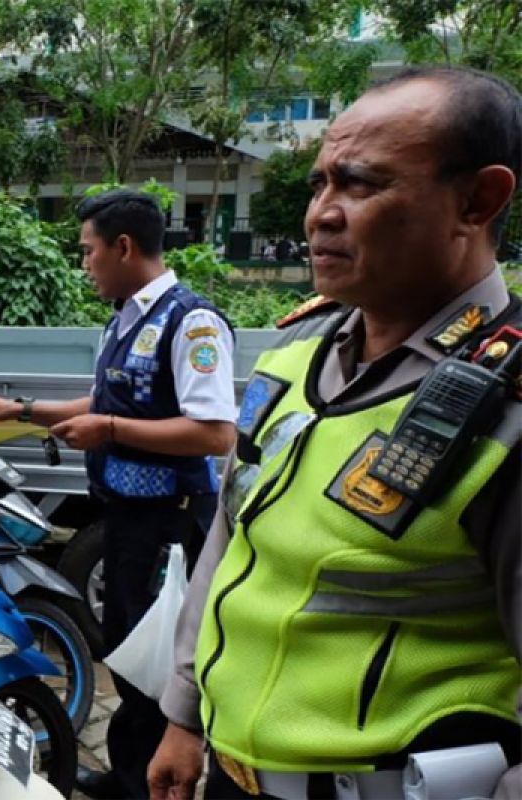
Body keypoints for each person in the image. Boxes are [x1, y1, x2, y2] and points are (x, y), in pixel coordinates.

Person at [148, 66, 522, 800]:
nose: (321, 212)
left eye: (361, 184)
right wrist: (183, 716)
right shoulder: (294, 357)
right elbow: (231, 541)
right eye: (320, 184)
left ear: (477, 201)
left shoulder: (505, 404)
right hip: (231, 775)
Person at [0, 189, 237, 798]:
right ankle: (126, 774)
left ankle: (150, 777)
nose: (83, 264)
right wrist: (24, 410)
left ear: (122, 246)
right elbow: (108, 403)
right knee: (127, 653)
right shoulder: (123, 318)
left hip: (171, 522)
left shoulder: (191, 322)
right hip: (127, 518)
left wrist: (109, 431)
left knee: (157, 661)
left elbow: (216, 432)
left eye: (88, 251)